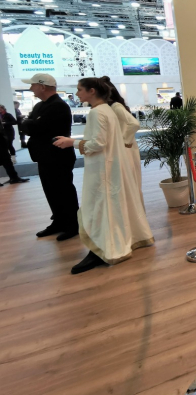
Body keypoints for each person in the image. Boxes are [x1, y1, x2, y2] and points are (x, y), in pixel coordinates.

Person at [53, 77, 154, 274]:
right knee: (109, 205)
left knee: (100, 206)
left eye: (80, 89)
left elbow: (98, 143)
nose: (77, 93)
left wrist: (72, 142)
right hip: (108, 165)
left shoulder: (98, 112)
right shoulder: (106, 110)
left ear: (92, 91)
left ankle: (103, 248)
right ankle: (115, 241)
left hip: (102, 168)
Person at [20, 73, 78, 239]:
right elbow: (29, 124)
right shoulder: (41, 105)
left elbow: (34, 127)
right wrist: (30, 123)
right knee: (51, 190)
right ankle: (59, 221)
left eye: (33, 85)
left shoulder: (58, 106)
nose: (31, 88)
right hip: (44, 155)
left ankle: (72, 224)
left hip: (58, 156)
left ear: (42, 86)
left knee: (63, 190)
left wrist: (29, 123)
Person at [101, 76, 145, 203]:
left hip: (125, 150)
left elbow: (134, 124)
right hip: (124, 149)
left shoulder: (116, 106)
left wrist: (123, 142)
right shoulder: (111, 107)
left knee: (130, 184)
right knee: (129, 184)